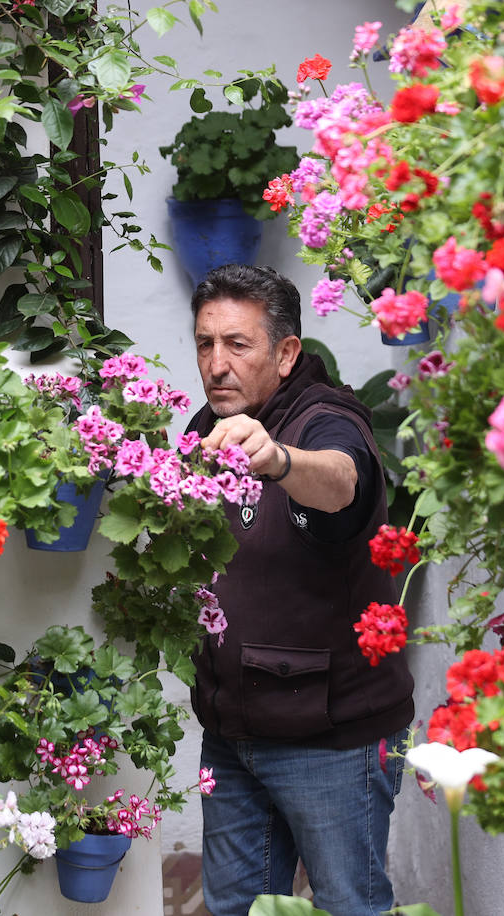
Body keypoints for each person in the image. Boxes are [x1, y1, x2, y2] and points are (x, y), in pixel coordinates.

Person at [186, 264, 414, 916]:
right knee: (234, 909)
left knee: (350, 906)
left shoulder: (326, 419)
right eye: (205, 344)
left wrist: (278, 460)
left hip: (332, 741)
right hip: (231, 734)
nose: (217, 364)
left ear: (286, 353)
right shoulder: (208, 426)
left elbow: (341, 479)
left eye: (238, 344)